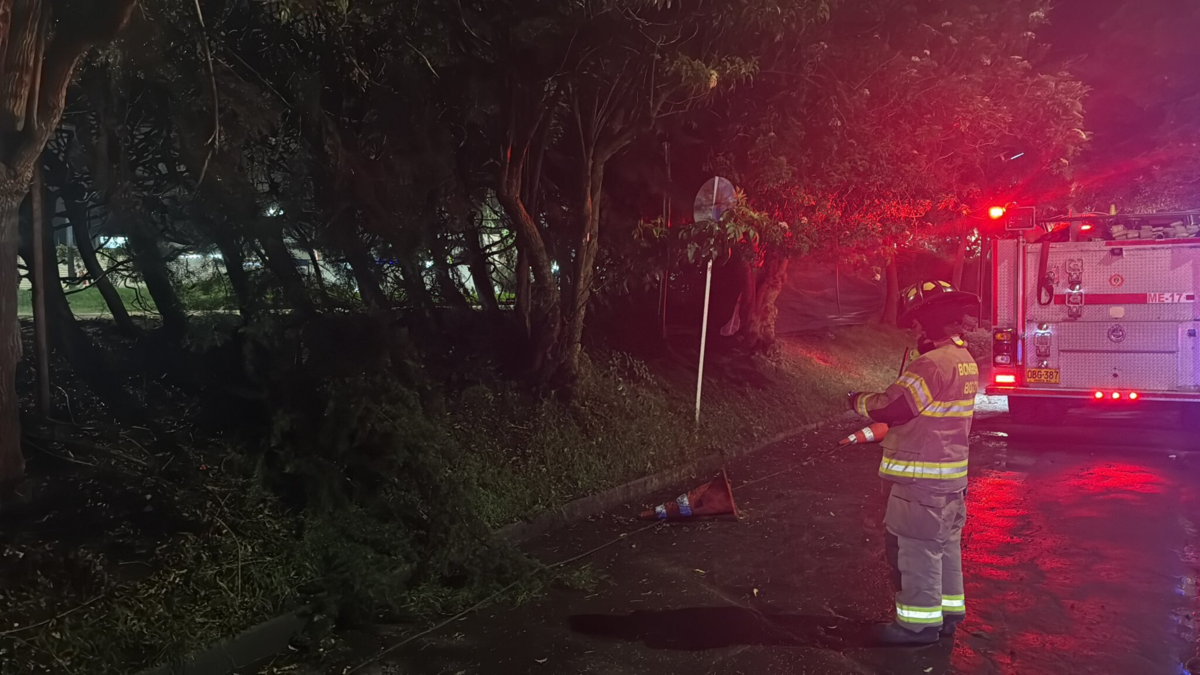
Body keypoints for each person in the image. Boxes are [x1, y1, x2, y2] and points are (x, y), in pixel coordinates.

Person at [848, 280, 980, 645]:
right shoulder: (963, 359)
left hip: (922, 479)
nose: (915, 330)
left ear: (932, 318)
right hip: (950, 478)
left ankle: (918, 626)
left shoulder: (933, 364)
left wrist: (856, 401)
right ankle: (948, 613)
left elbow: (894, 408)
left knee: (917, 548)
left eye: (918, 322)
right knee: (944, 546)